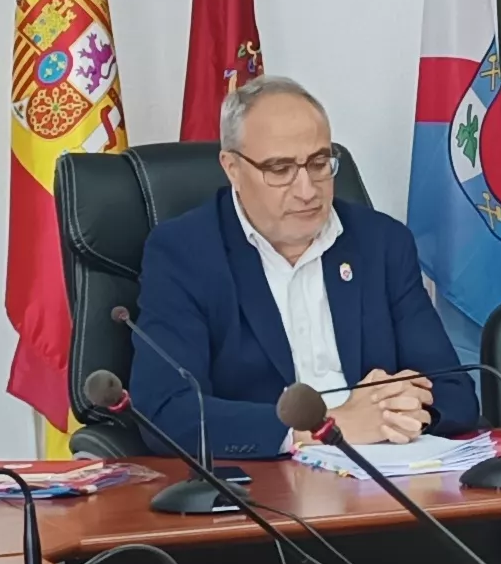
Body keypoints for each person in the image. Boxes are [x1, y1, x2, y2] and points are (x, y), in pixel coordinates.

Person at [128, 75, 480, 461]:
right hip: (265, 488)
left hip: (388, 476)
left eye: (318, 163)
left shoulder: (381, 243)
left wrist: (402, 411)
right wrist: (327, 426)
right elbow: (165, 411)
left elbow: (454, 394)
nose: (307, 189)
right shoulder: (186, 253)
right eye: (280, 169)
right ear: (231, 168)